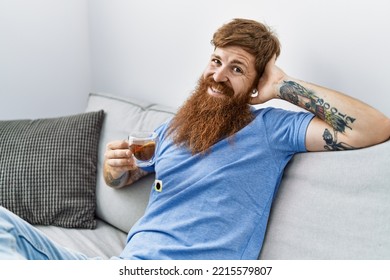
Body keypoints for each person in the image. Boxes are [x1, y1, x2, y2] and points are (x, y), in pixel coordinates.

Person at [1, 18, 389, 260]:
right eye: (216, 61)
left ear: (257, 85)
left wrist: (282, 85)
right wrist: (112, 171)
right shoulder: (173, 128)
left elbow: (371, 127)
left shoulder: (272, 128)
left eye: (236, 69)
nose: (217, 75)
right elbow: (125, 178)